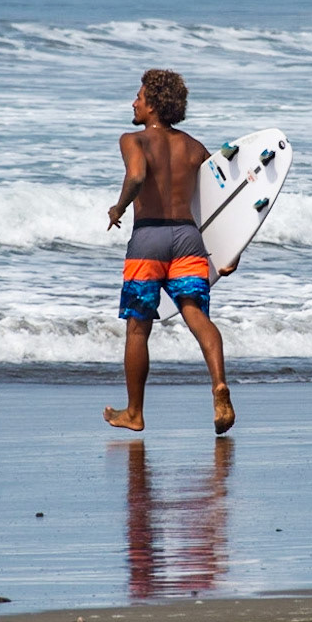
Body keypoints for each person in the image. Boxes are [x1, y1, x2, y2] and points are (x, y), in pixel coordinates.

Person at [104, 69, 238, 435]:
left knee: (137, 328)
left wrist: (118, 208)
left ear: (153, 106)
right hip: (188, 239)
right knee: (195, 314)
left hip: (149, 239)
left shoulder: (133, 140)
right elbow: (221, 201)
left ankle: (134, 412)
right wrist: (231, 249)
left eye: (139, 97)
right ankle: (219, 385)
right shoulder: (194, 147)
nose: (134, 102)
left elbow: (135, 176)